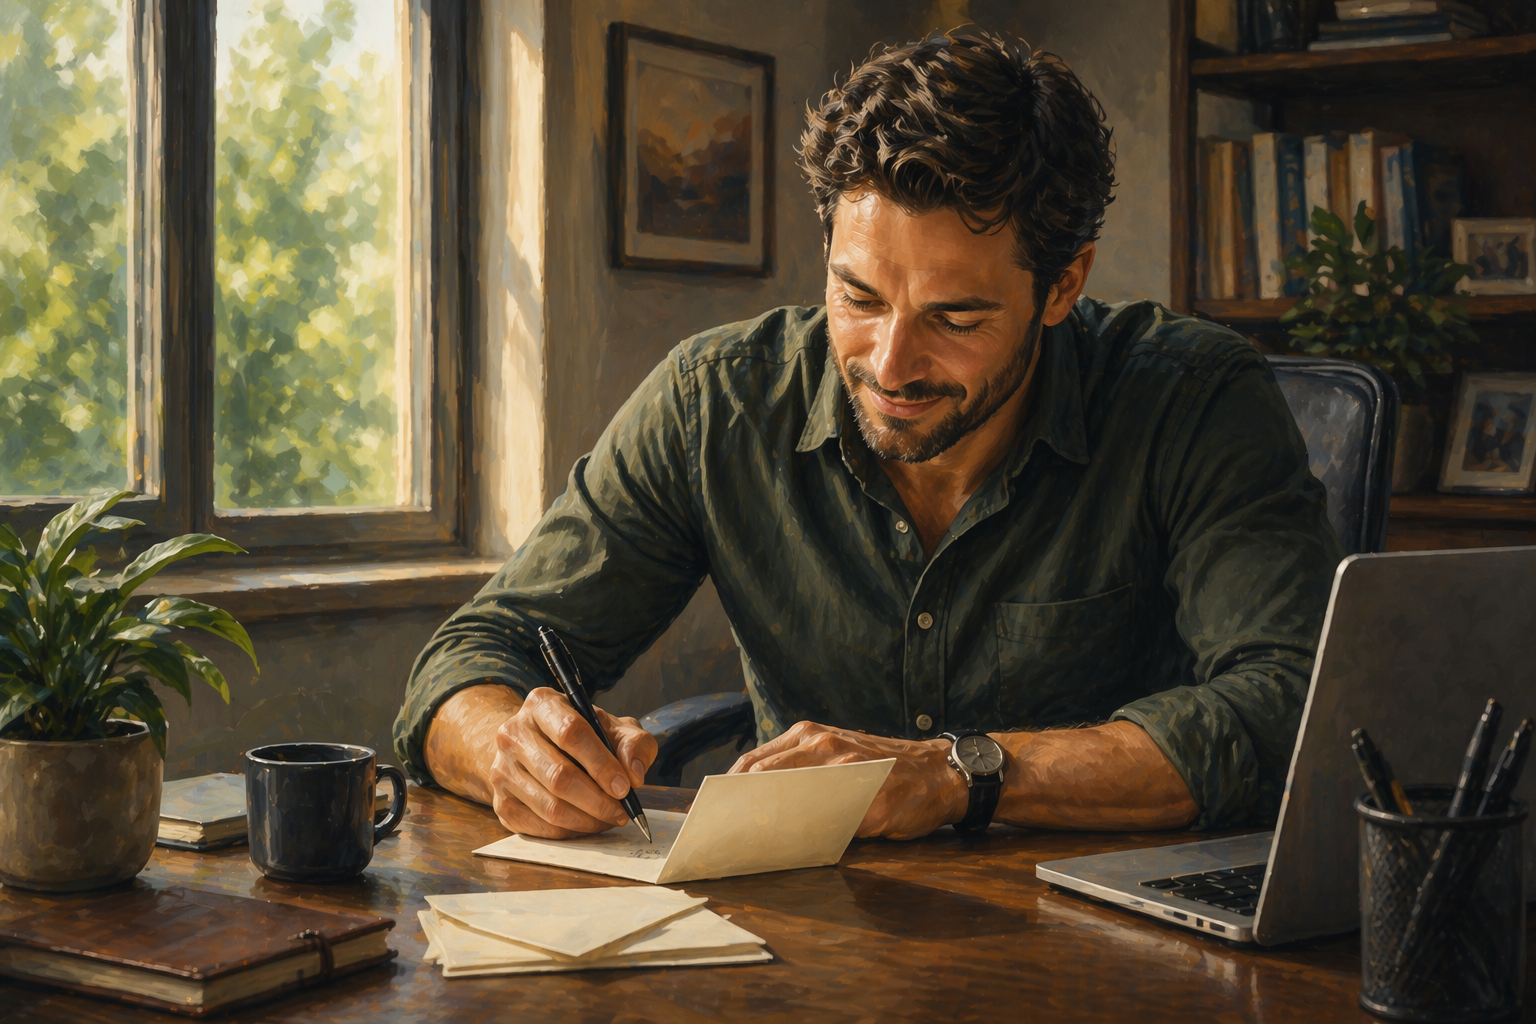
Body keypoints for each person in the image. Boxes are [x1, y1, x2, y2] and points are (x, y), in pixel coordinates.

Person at [392, 31, 1343, 842]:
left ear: (1063, 284)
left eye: (957, 318)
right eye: (858, 297)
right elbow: (473, 657)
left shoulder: (1193, 400)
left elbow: (1288, 705)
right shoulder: (714, 402)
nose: (890, 365)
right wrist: (508, 747)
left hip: (1111, 945)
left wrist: (959, 773)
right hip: (811, 944)